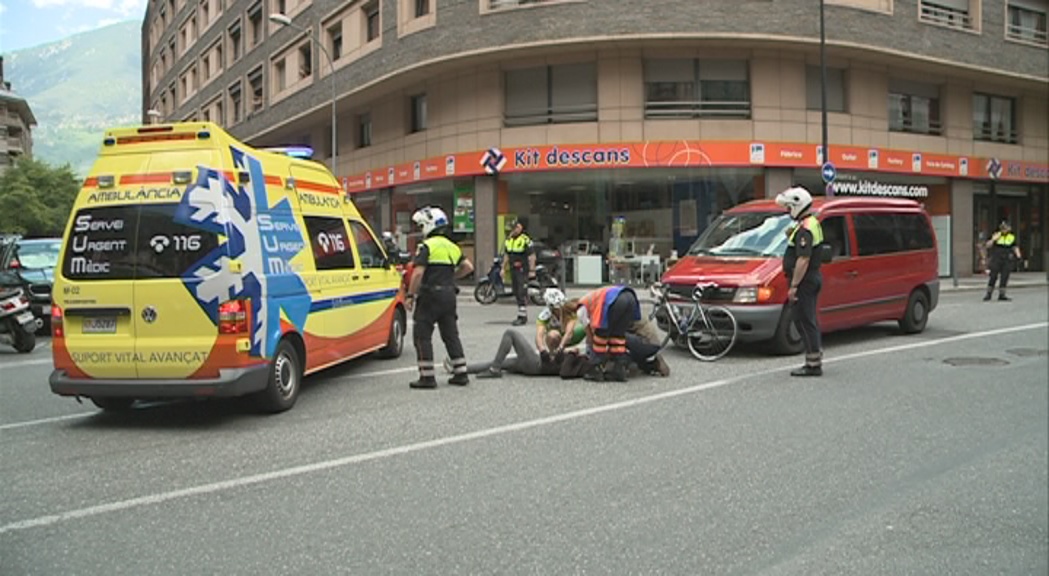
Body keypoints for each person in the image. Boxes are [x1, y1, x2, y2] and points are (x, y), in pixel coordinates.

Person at [405, 206, 474, 389]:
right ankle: (461, 373)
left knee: (422, 335)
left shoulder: (427, 246)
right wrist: (452, 278)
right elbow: (468, 267)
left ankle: (427, 377)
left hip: (430, 296)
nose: (420, 231)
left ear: (429, 225)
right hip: (449, 295)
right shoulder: (452, 246)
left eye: (421, 226)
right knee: (451, 335)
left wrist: (411, 295)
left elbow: (418, 273)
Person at [776, 186, 824, 377]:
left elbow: (803, 259)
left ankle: (813, 364)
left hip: (804, 281)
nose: (788, 212)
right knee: (806, 319)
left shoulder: (805, 228)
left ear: (798, 205)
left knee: (804, 320)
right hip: (810, 279)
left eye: (789, 208)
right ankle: (814, 358)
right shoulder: (809, 223)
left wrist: (794, 286)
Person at [572, 284, 642, 382]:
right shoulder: (591, 298)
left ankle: (595, 370)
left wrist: (593, 348)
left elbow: (589, 333)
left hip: (614, 300)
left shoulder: (580, 309)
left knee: (601, 334)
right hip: (630, 297)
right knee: (617, 336)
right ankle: (619, 369)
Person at [503, 218, 536, 326]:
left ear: (521, 228)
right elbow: (507, 255)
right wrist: (503, 268)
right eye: (513, 228)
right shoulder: (509, 240)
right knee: (516, 291)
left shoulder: (525, 240)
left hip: (522, 269)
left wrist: (532, 270)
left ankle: (522, 316)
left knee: (522, 291)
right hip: (513, 269)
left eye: (517, 227)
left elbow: (531, 256)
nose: (515, 230)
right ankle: (521, 313)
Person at [983, 220, 1022, 302]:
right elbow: (987, 245)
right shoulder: (997, 235)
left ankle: (1002, 294)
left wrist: (1019, 256)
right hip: (997, 258)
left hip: (1007, 259)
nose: (1004, 229)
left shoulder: (1012, 236)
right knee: (993, 276)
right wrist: (993, 239)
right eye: (1003, 228)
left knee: (1005, 277)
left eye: (1006, 228)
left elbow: (1015, 246)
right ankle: (988, 294)